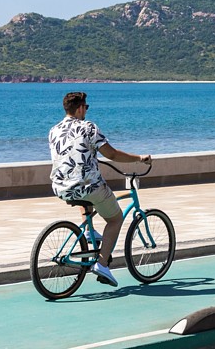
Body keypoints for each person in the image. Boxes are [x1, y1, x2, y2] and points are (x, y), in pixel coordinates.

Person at [48, 91, 151, 287]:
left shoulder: (54, 130)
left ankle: (88, 229)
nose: (86, 111)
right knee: (115, 218)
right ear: (79, 108)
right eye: (86, 107)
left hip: (60, 187)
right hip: (87, 187)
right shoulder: (88, 128)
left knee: (82, 188)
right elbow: (111, 154)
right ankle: (102, 264)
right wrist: (138, 158)